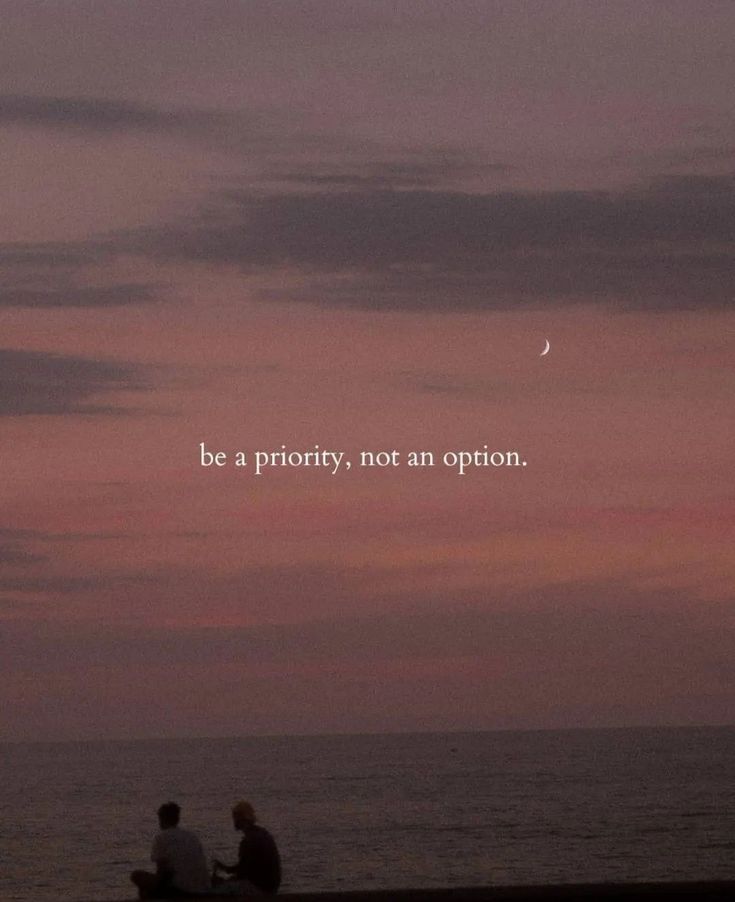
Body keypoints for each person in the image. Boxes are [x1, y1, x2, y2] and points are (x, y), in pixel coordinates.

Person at [131, 801, 210, 899]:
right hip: (202, 887)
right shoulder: (191, 836)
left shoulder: (161, 837)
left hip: (181, 889)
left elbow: (161, 870)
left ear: (162, 819)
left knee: (136, 875)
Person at [212, 800, 281, 895]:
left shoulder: (248, 841)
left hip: (260, 888)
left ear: (241, 818)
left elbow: (243, 873)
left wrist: (223, 880)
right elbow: (247, 867)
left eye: (235, 817)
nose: (233, 820)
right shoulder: (262, 834)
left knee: (216, 891)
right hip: (271, 887)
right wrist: (226, 869)